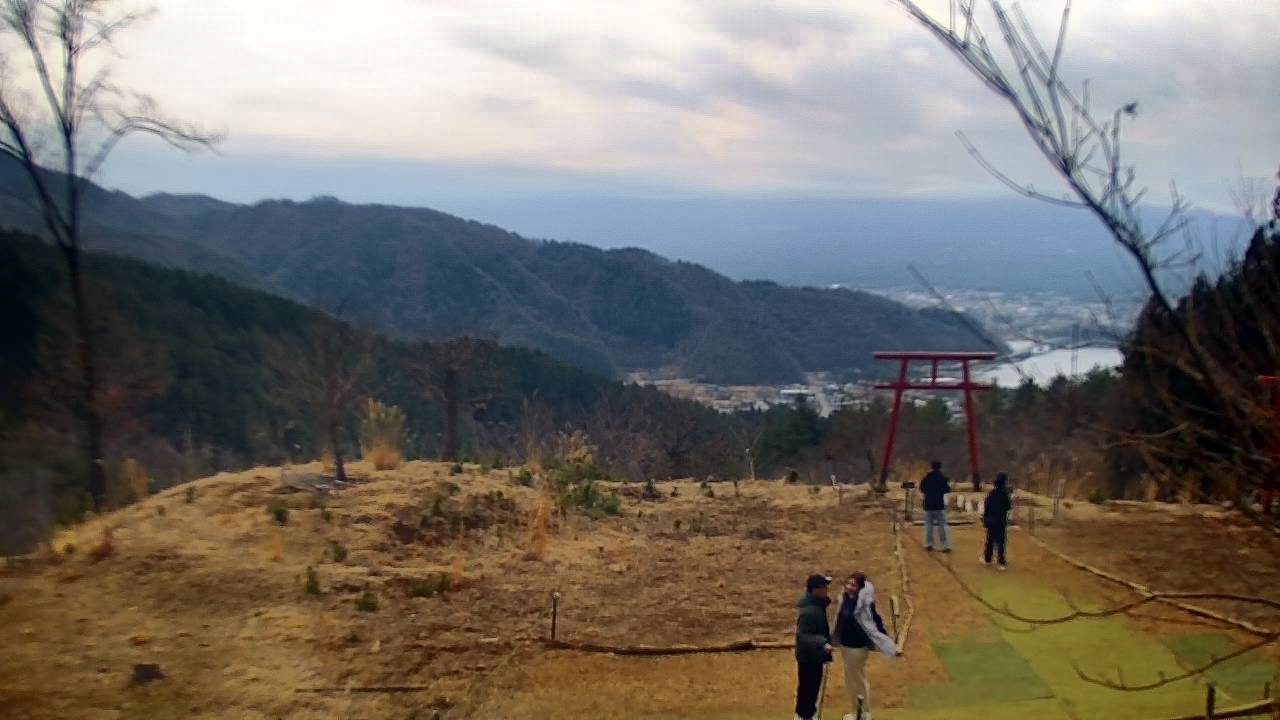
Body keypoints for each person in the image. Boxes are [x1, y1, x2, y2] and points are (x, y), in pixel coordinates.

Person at [833, 572, 898, 720]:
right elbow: (840, 620)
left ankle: (863, 713)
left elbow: (874, 620)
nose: (849, 587)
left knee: (857, 679)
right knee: (851, 680)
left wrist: (883, 637)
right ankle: (857, 711)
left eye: (853, 585)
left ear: (860, 588)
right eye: (848, 584)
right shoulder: (845, 599)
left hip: (856, 646)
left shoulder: (863, 604)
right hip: (846, 645)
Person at [794, 574, 834, 720]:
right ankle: (804, 716)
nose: (826, 590)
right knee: (808, 690)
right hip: (809, 657)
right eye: (823, 587)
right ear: (814, 590)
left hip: (813, 656)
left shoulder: (818, 606)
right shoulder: (809, 611)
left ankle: (807, 715)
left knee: (811, 689)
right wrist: (822, 643)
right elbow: (803, 635)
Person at [982, 472, 1012, 570]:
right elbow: (1008, 506)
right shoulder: (1005, 495)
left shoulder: (991, 494)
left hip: (991, 520)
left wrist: (985, 519)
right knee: (1001, 542)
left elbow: (986, 506)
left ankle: (987, 559)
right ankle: (1001, 562)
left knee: (990, 540)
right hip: (1001, 521)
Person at [920, 461, 951, 552]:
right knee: (942, 526)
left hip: (928, 504)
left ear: (932, 467)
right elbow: (947, 489)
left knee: (929, 525)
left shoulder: (927, 477)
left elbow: (922, 488)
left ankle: (928, 544)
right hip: (939, 504)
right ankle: (945, 546)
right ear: (940, 467)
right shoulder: (942, 478)